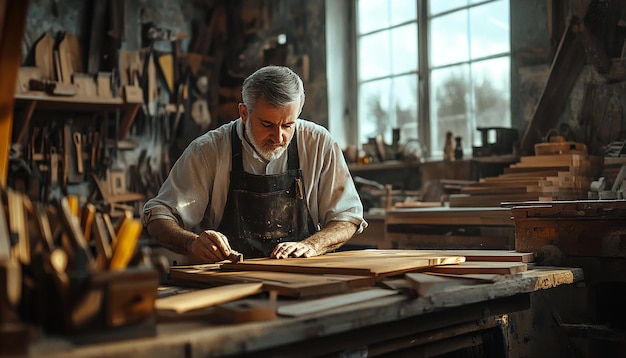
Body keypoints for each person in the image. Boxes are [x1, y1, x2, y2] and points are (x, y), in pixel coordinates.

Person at [142, 65, 367, 263]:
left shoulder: (318, 143)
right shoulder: (208, 150)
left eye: (288, 125)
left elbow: (347, 217)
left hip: (303, 279)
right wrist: (191, 243)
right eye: (267, 124)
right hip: (232, 281)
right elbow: (158, 214)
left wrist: (312, 245)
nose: (278, 137)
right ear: (243, 113)